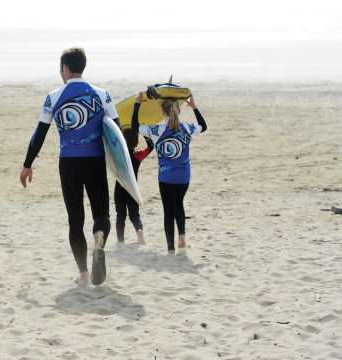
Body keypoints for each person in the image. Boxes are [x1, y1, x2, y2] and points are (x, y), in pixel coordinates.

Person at [19, 48, 120, 286]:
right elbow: (118, 133)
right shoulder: (103, 95)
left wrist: (27, 164)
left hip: (69, 164)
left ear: (65, 68)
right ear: (82, 66)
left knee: (75, 219)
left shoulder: (53, 97)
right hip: (95, 162)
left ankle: (84, 274)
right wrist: (122, 168)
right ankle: (100, 238)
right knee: (102, 214)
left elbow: (39, 134)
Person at [131, 90, 207, 253]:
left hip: (166, 177)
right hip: (184, 177)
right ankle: (182, 237)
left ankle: (171, 248)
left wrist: (137, 104)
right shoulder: (187, 127)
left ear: (162, 111)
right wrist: (194, 107)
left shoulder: (157, 130)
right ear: (178, 110)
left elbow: (134, 126)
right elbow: (204, 126)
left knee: (168, 210)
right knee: (179, 204)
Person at [114, 127, 153, 244]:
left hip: (120, 188)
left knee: (120, 216)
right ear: (136, 142)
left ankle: (120, 240)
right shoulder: (138, 155)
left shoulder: (118, 155)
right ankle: (139, 231)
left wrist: (117, 134)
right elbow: (151, 147)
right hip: (132, 189)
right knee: (134, 215)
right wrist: (142, 132)